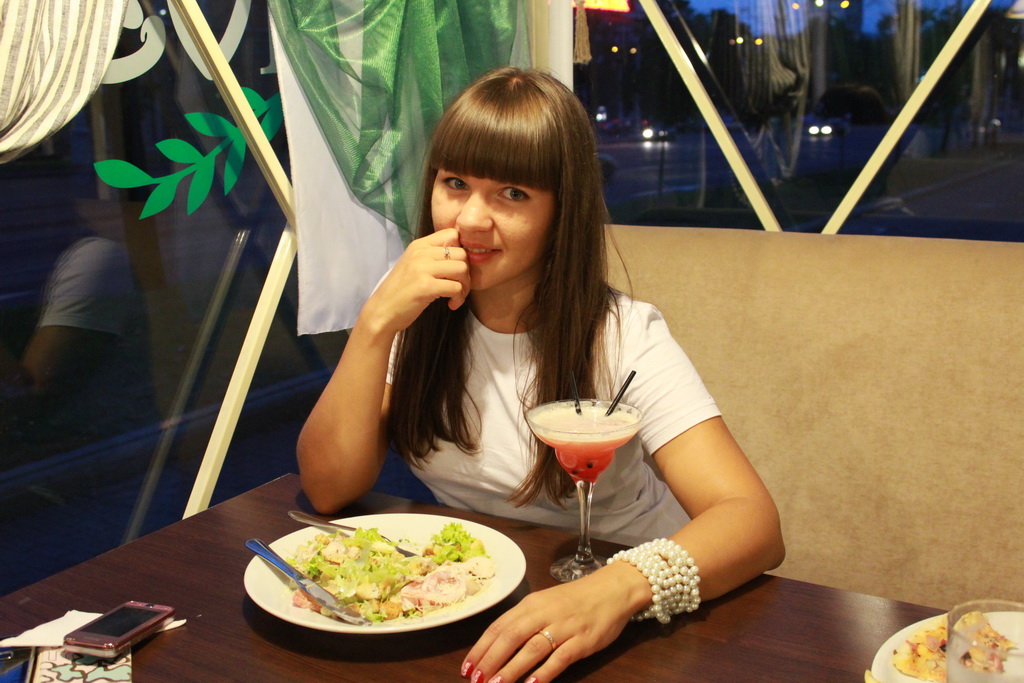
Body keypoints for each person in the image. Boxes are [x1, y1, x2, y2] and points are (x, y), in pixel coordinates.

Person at [297, 67, 785, 683]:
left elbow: (753, 523)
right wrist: (373, 326)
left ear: (563, 212)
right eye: (455, 183)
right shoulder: (414, 312)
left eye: (512, 194)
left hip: (628, 608)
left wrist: (615, 588)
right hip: (478, 598)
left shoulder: (623, 333)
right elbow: (327, 489)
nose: (471, 220)